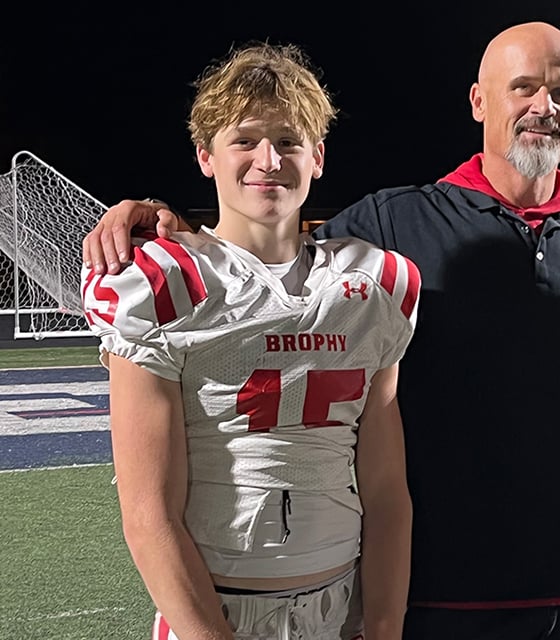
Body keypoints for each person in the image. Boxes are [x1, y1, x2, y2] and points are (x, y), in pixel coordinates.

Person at [81, 22, 560, 640]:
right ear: (481, 101)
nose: (543, 106)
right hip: (438, 587)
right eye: (524, 87)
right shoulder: (394, 222)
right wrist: (158, 220)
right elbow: (262, 247)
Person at [81, 43, 418, 640]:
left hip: (343, 608)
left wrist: (385, 627)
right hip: (217, 611)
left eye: (289, 141)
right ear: (205, 157)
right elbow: (147, 514)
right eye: (245, 140)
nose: (269, 158)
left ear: (317, 156)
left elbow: (387, 489)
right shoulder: (162, 282)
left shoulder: (375, 284)